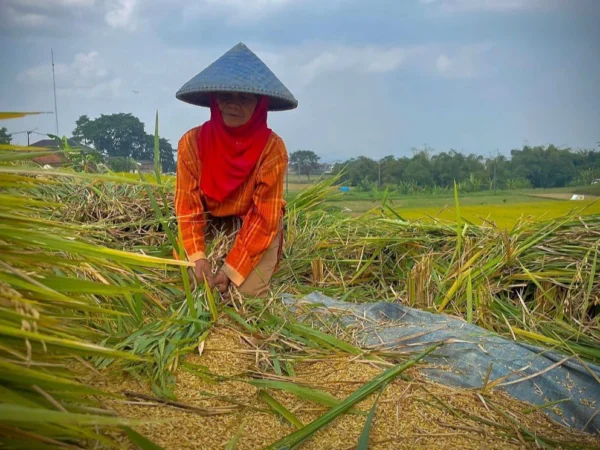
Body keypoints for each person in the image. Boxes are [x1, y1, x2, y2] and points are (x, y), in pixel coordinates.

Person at [174, 43, 298, 297]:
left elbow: (264, 218)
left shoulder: (272, 150)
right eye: (226, 97)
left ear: (260, 103)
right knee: (190, 283)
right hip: (210, 220)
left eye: (244, 97)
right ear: (214, 100)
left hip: (252, 224)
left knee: (246, 295)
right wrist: (198, 257)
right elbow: (188, 208)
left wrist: (231, 270)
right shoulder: (191, 143)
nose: (233, 105)